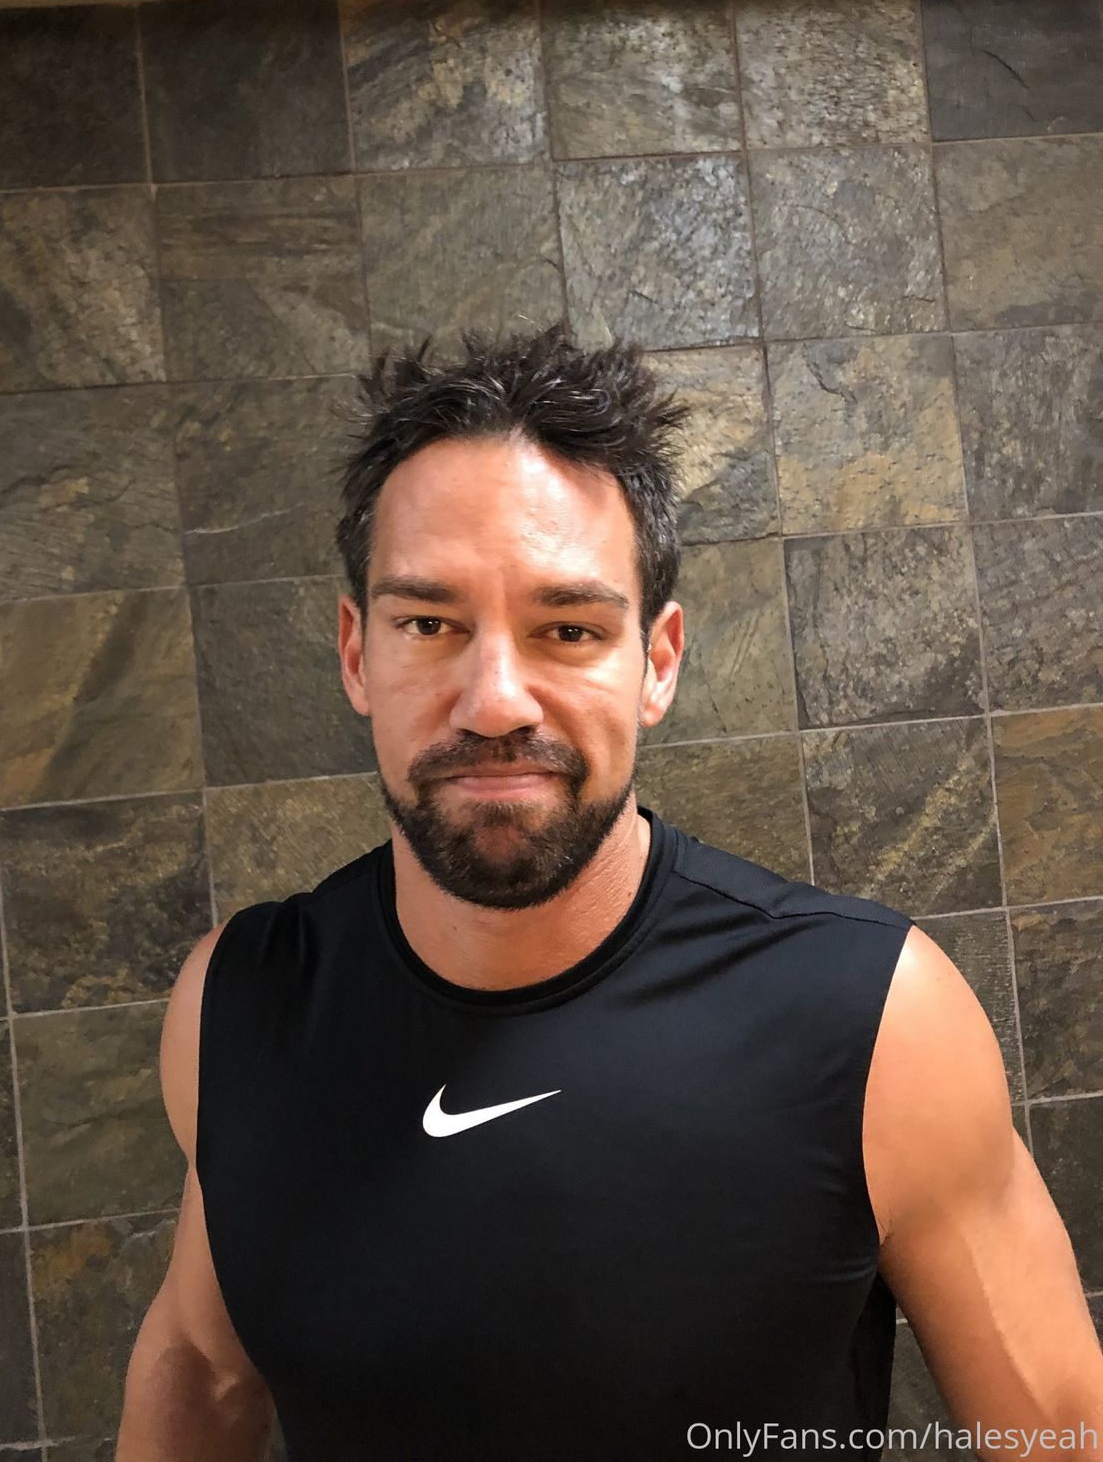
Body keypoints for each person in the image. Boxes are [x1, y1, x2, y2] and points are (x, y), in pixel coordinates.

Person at [116, 322, 1103, 1461]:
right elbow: (204, 1369)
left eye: (568, 629)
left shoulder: (876, 1019)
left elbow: (1060, 1437)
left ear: (657, 662)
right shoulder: (237, 1006)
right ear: (355, 654)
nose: (496, 700)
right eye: (429, 624)